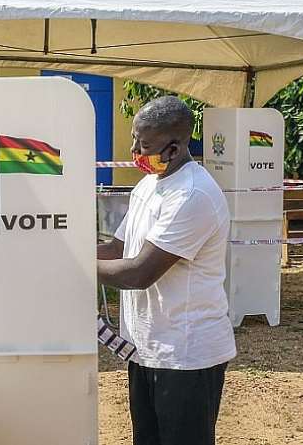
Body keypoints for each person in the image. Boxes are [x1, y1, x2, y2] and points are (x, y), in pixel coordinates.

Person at [97, 96, 236, 445]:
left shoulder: (192, 194)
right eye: (134, 139)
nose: (134, 151)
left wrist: (68, 267)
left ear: (173, 149)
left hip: (186, 355)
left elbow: (138, 273)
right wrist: (56, 252)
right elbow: (118, 249)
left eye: (144, 145)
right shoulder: (150, 185)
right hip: (146, 349)